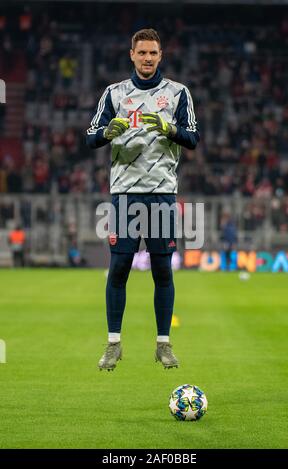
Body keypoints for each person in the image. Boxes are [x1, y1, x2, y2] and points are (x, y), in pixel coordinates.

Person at [86, 28, 199, 371]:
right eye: (142, 53)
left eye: (153, 53)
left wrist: (171, 130)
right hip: (124, 194)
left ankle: (163, 345)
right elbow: (91, 137)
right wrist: (108, 132)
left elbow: (192, 137)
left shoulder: (178, 93)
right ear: (132, 55)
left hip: (162, 194)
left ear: (160, 55)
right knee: (118, 268)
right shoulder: (114, 93)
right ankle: (113, 344)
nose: (148, 58)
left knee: (162, 270)